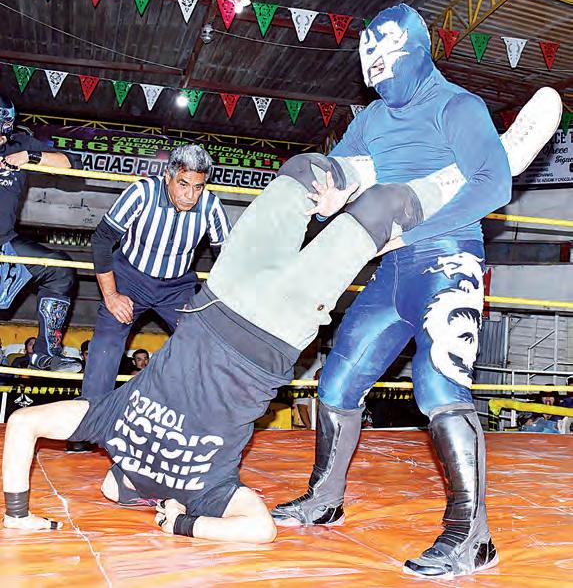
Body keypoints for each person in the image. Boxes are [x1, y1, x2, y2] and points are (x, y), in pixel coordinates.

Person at [1, 95, 556, 552]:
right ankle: (494, 163)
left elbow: (25, 426)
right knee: (383, 209)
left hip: (221, 296)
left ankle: (357, 177)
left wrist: (178, 525)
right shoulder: (199, 488)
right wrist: (181, 521)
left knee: (302, 172)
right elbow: (259, 529)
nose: (113, 484)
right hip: (271, 326)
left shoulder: (111, 425)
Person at [271, 4, 562, 579]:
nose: (378, 78)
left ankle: (472, 538)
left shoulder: (458, 106)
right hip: (392, 267)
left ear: (413, 53)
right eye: (371, 68)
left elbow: (494, 184)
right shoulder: (371, 118)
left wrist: (414, 229)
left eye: (386, 63)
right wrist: (324, 192)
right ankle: (324, 498)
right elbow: (343, 177)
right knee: (337, 381)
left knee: (439, 387)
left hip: (448, 259)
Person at [80, 143, 230, 401]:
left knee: (202, 340)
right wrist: (112, 295)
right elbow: (102, 239)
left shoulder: (211, 206)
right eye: (183, 184)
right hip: (129, 278)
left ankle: (194, 412)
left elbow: (226, 261)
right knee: (106, 345)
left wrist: (208, 307)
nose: (190, 196)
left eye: (198, 187)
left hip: (177, 288)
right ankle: (89, 414)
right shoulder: (142, 192)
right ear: (168, 176)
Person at [0, 94, 81, 373]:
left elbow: (72, 162)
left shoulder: (20, 144)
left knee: (59, 268)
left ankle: (46, 355)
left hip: (5, 243)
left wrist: (29, 156)